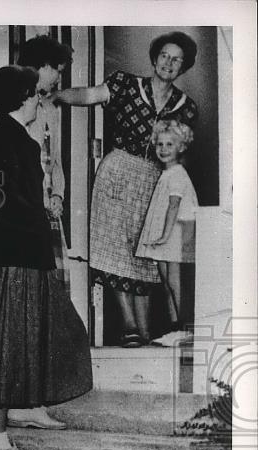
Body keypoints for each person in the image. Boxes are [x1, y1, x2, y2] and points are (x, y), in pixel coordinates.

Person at [0, 66, 92, 450]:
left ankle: (7, 430)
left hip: (14, 259)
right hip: (13, 261)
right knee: (1, 348)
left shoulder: (0, 140)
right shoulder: (10, 141)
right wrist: (38, 219)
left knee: (12, 346)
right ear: (24, 98)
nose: (41, 100)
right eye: (36, 94)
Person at [54, 31, 199, 348]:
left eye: (177, 59)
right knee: (117, 253)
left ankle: (145, 331)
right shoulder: (124, 84)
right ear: (155, 57)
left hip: (155, 182)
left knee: (147, 258)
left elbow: (182, 160)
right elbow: (88, 95)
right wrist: (50, 94)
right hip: (118, 175)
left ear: (183, 67)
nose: (168, 63)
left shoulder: (187, 107)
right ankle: (130, 327)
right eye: (164, 55)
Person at [8, 34, 75, 430]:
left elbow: (56, 163)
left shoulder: (46, 109)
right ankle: (19, 401)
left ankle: (33, 399)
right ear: (40, 66)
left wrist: (60, 196)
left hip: (48, 217)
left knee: (47, 310)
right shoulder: (17, 111)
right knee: (27, 312)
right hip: (29, 220)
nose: (58, 79)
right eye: (57, 70)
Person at [134, 119, 198, 346]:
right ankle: (175, 327)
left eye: (169, 145)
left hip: (176, 233)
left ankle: (185, 326)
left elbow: (174, 206)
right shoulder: (166, 174)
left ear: (181, 147)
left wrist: (164, 235)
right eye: (159, 144)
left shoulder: (178, 174)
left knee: (174, 281)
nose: (163, 149)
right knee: (166, 282)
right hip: (166, 235)